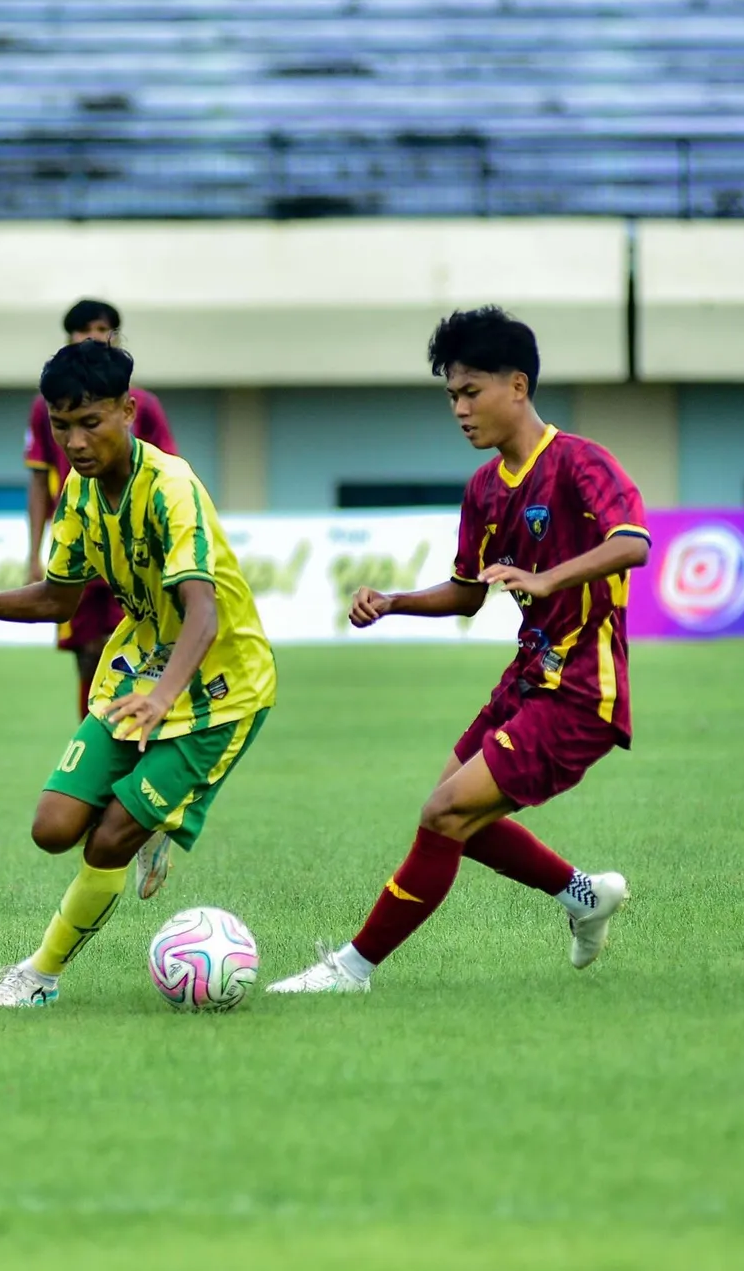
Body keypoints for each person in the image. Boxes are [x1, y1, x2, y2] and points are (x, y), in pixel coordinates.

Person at [267, 306, 645, 995]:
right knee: (454, 815)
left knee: (445, 815)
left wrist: (547, 576)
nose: (460, 410)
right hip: (528, 677)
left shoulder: (578, 463)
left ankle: (351, 969)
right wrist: (395, 602)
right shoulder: (483, 490)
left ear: (518, 387)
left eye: (471, 392)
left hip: (584, 690)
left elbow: (633, 543)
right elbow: (469, 593)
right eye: (451, 396)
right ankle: (586, 896)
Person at [0, 340, 276, 1008]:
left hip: (221, 691)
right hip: (139, 676)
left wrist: (166, 698)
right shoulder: (77, 493)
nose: (74, 441)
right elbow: (57, 597)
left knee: (106, 838)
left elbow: (203, 614)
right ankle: (149, 816)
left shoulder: (172, 489)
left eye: (90, 422)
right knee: (52, 828)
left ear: (128, 411)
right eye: (61, 425)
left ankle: (40, 975)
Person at [25, 299, 178, 717]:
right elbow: (39, 481)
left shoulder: (141, 405)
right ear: (69, 338)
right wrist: (33, 553)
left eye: (102, 328)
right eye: (83, 329)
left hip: (134, 549)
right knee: (88, 656)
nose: (91, 336)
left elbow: (168, 474)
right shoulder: (46, 406)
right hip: (79, 541)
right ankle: (92, 746)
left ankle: (136, 737)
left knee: (136, 647)